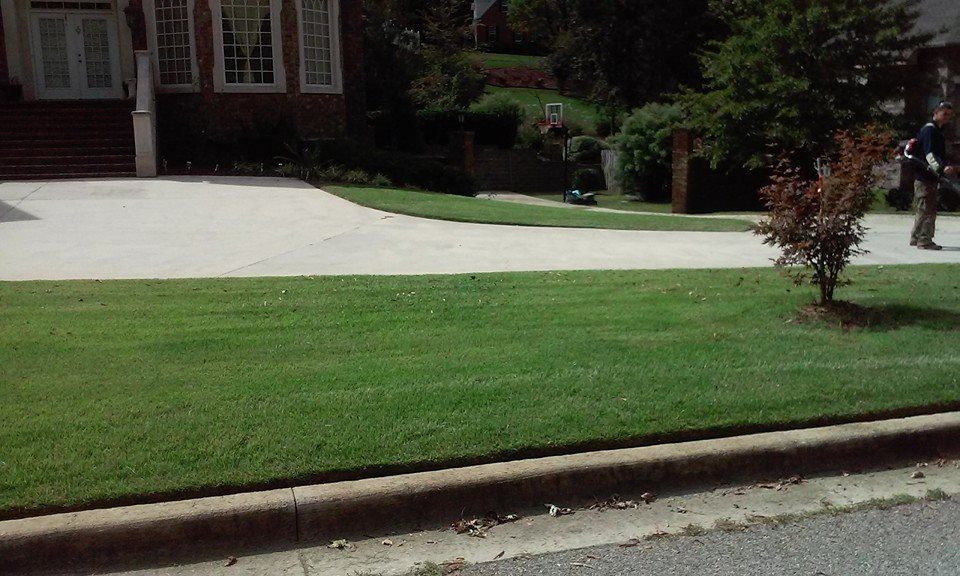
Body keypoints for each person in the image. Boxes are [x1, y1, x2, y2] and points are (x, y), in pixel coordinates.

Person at [911, 101, 956, 250]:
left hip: (926, 176)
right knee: (928, 209)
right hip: (925, 176)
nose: (947, 117)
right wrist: (941, 169)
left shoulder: (936, 130)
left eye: (949, 115)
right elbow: (929, 154)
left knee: (922, 208)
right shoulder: (930, 130)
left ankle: (916, 237)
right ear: (935, 113)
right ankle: (924, 240)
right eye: (944, 114)